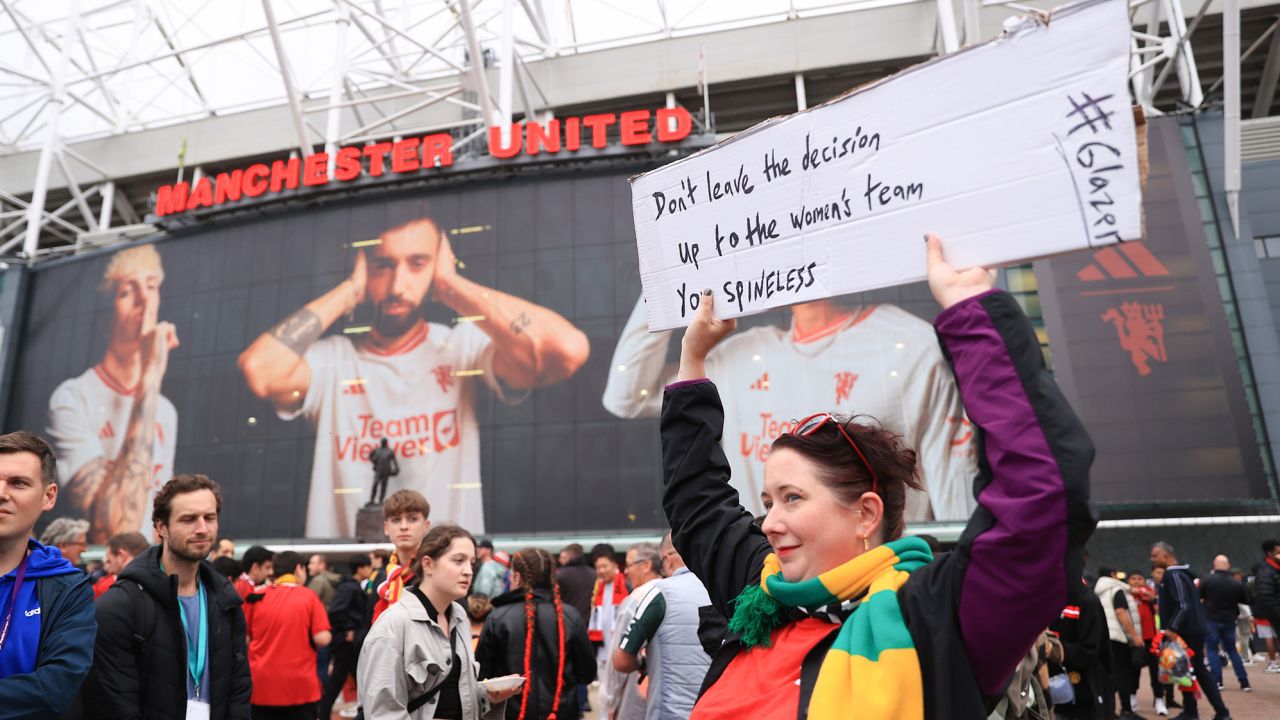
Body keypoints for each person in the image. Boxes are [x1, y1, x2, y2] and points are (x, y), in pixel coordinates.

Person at [659, 235, 1096, 720]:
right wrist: (692, 362)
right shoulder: (762, 593)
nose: (768, 522)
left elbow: (1041, 502)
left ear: (866, 512)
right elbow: (698, 504)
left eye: (792, 498)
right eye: (768, 499)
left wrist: (972, 311)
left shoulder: (936, 620)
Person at [238, 216, 591, 536]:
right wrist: (350, 289)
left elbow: (567, 352)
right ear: (364, 269)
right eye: (382, 266)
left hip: (444, 577)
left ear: (436, 267)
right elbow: (260, 370)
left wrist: (452, 286)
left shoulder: (459, 345)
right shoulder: (334, 358)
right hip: (349, 574)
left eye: (418, 263)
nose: (397, 285)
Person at [603, 291, 977, 523]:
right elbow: (626, 397)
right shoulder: (741, 352)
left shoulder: (911, 346)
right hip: (760, 583)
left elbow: (955, 501)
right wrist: (667, 283)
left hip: (873, 589)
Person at [84, 473, 252, 718]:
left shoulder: (226, 601)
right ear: (161, 527)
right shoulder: (118, 607)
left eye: (210, 517)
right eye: (189, 519)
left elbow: (238, 688)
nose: (202, 528)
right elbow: (115, 705)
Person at [47, 244, 179, 542]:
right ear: (107, 311)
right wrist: (150, 377)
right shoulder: (72, 397)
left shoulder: (166, 411)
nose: (143, 300)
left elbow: (158, 514)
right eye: (126, 292)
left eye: (151, 286)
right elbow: (115, 527)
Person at [359, 523, 520, 719]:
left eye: (471, 562)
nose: (468, 571)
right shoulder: (394, 625)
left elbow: (453, 693)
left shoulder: (460, 617)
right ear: (428, 564)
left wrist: (488, 695)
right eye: (458, 561)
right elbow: (383, 712)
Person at [0, 431, 97, 717]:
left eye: (18, 483)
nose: (1, 493)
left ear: (48, 496)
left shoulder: (68, 588)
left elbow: (55, 688)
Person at [477, 547, 596, 720]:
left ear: (517, 577)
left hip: (510, 713)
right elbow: (586, 673)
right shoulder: (570, 616)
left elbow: (481, 674)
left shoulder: (498, 617)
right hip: (562, 713)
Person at [613, 534, 711, 720]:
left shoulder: (659, 594)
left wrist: (643, 663)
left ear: (666, 558)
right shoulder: (722, 589)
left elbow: (621, 661)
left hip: (669, 712)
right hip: (715, 709)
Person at [244, 550, 331, 719]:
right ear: (298, 569)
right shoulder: (308, 597)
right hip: (299, 687)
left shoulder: (255, 596)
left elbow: (245, 639)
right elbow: (322, 638)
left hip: (261, 686)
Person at [1149, 541, 1232, 720]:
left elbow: (1182, 605)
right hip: (1190, 629)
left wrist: (1172, 628)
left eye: (1155, 555)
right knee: (1186, 670)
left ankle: (1220, 712)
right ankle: (1192, 711)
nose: (1152, 559)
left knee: (1197, 670)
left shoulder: (1174, 575)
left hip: (1187, 632)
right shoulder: (1181, 574)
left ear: (1165, 555)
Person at [602, 542, 664, 720]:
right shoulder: (675, 594)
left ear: (646, 565)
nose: (626, 571)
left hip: (636, 697)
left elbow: (618, 664)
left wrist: (610, 703)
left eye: (629, 565)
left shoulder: (635, 600)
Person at [321, 556, 373, 720]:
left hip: (352, 641)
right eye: (368, 567)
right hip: (347, 642)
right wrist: (347, 630)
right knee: (339, 679)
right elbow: (336, 612)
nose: (370, 571)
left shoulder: (352, 587)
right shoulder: (349, 588)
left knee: (360, 678)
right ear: (360, 568)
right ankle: (322, 713)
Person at [371, 489, 431, 623]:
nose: (404, 527)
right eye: (396, 520)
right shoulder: (382, 577)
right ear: (386, 528)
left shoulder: (434, 572)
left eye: (412, 519)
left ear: (426, 526)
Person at [1049, 591, 1110, 720]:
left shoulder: (1087, 600)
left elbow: (1090, 650)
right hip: (1051, 688)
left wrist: (1056, 650)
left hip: (1082, 689)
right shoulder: (1047, 596)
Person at [1094, 567, 1144, 719]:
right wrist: (1134, 635)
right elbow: (1120, 612)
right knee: (1123, 675)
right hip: (1117, 637)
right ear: (1112, 575)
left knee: (1108, 676)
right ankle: (1126, 710)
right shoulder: (1116, 589)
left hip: (1102, 637)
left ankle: (1107, 710)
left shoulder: (1097, 591)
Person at [1201, 555, 1251, 692]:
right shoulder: (1236, 583)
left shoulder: (1207, 580)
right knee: (1232, 650)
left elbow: (1198, 596)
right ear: (1228, 566)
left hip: (1211, 620)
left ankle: (1217, 682)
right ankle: (1244, 682)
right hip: (1229, 620)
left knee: (1212, 650)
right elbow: (1245, 600)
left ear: (1214, 565)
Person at [1130, 571, 1171, 715]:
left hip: (1151, 639)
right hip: (1134, 639)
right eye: (1133, 579)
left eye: (1139, 579)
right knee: (1133, 670)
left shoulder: (1148, 592)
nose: (1136, 581)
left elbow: (1152, 598)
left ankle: (1159, 700)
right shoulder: (1126, 594)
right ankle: (1132, 698)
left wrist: (1142, 593)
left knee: (1155, 671)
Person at [589, 544, 628, 682]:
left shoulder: (626, 584)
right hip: (602, 652)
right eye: (598, 567)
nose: (601, 570)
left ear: (614, 564)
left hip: (622, 651)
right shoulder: (597, 587)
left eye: (604, 566)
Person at [94, 531, 150, 598]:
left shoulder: (117, 590)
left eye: (109, 561)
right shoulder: (157, 580)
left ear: (121, 555)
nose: (108, 569)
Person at [1253, 539, 1280, 672]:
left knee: (1269, 637)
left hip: (1265, 612)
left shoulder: (1271, 569)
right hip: (1269, 613)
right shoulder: (1265, 571)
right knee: (1269, 637)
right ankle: (1273, 662)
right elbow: (1266, 596)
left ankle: (1274, 662)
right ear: (1270, 553)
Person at [369, 439, 399, 507]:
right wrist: (374, 462)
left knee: (383, 486)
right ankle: (372, 500)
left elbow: (394, 461)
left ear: (386, 443)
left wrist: (396, 469)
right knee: (375, 484)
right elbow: (371, 456)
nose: (383, 443)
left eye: (384, 442)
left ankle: (381, 500)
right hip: (378, 470)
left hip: (386, 471)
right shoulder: (377, 450)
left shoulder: (389, 451)